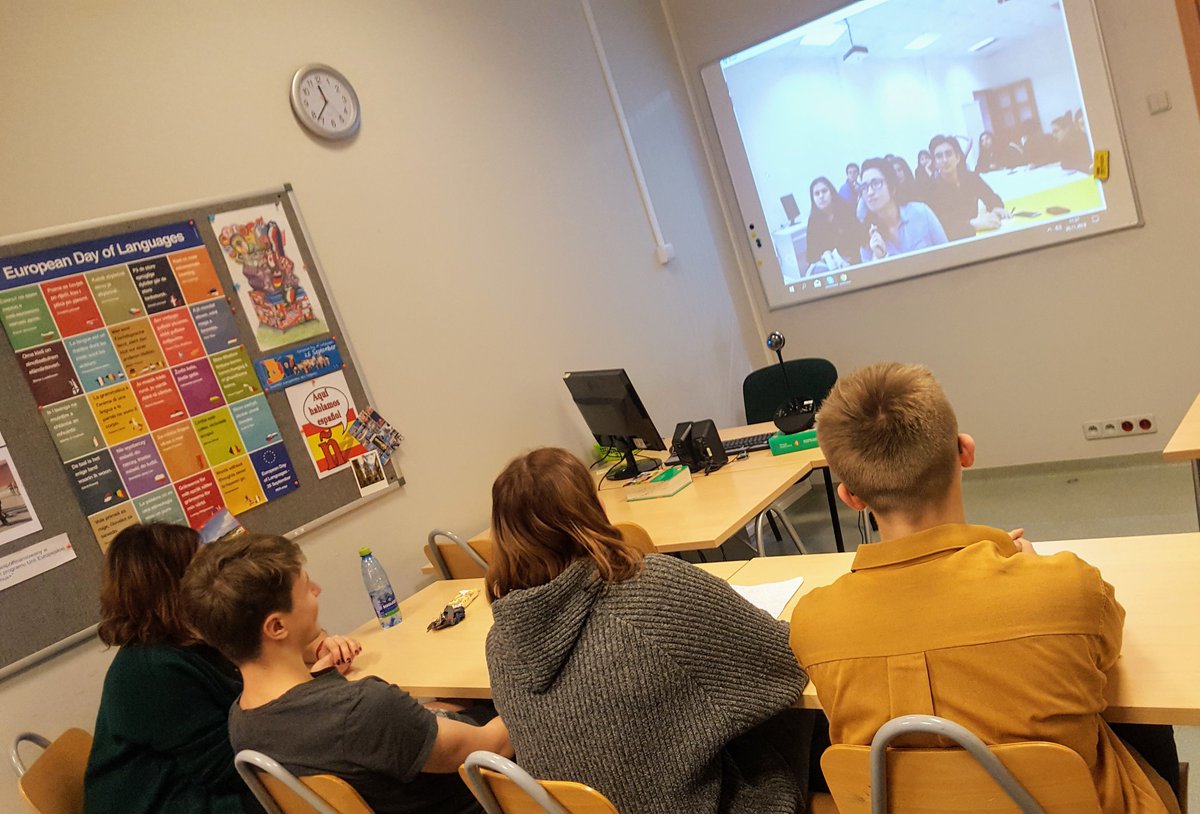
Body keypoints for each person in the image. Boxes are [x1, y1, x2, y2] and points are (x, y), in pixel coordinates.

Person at [789, 362, 1181, 814]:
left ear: (851, 497)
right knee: (1143, 719)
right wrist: (1031, 571)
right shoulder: (1066, 588)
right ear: (965, 452)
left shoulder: (814, 622)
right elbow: (1107, 652)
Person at [485, 447, 811, 814]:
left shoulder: (499, 642)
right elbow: (784, 659)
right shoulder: (650, 587)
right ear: (593, 509)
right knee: (794, 709)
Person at [182, 533, 508, 814]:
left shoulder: (243, 721)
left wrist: (323, 679)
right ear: (277, 626)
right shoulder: (362, 708)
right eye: (307, 589)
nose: (318, 591)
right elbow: (490, 748)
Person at [84, 523, 362, 814]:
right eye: (200, 565)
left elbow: (261, 687)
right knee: (345, 779)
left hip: (212, 782)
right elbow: (235, 767)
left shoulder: (188, 639)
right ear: (173, 587)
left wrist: (314, 665)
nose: (214, 574)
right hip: (176, 801)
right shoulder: (150, 671)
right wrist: (318, 689)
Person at [857, 157, 946, 262]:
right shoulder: (867, 237)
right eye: (864, 187)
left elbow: (947, 254)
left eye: (876, 183)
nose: (870, 192)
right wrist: (879, 258)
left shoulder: (921, 213)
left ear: (892, 187)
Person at [926, 134, 1009, 241]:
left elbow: (991, 197)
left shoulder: (971, 178)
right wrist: (972, 225)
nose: (945, 160)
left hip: (979, 236)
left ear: (958, 157)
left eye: (948, 154)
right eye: (939, 156)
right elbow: (941, 227)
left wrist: (996, 207)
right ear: (935, 163)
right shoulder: (931, 190)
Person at [805, 176, 865, 269]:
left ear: (831, 193)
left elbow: (861, 239)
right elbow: (811, 256)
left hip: (854, 264)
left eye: (824, 191)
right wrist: (823, 257)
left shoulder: (846, 210)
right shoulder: (813, 221)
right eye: (817, 194)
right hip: (829, 269)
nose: (821, 196)